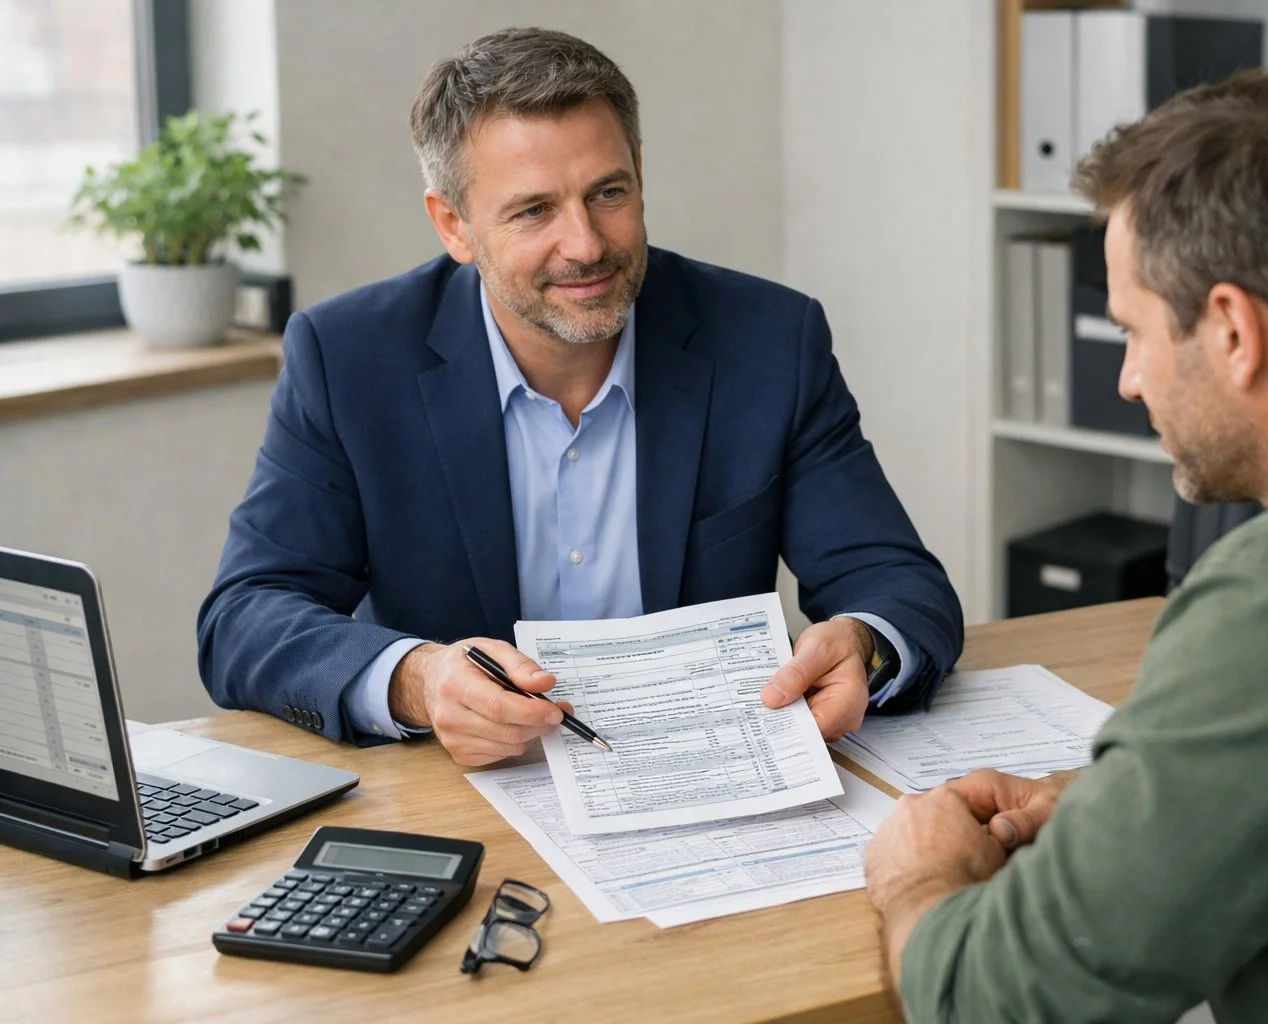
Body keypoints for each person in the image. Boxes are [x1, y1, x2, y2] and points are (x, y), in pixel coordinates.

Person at [864, 70, 1268, 1023]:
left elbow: (999, 1001)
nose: (1130, 381)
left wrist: (918, 876)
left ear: (1231, 330)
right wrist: (1140, 808)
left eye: (1133, 331)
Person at [197, 27, 962, 765]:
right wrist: (417, 680)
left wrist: (862, 639)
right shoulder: (349, 358)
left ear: (640, 175)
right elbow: (247, 616)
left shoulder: (768, 340)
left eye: (608, 193)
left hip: (709, 780)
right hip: (469, 797)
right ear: (454, 226)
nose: (587, 243)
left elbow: (897, 583)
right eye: (534, 211)